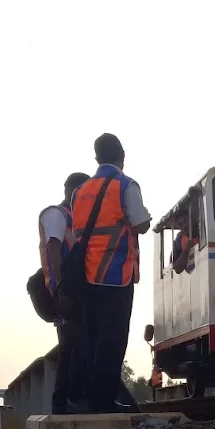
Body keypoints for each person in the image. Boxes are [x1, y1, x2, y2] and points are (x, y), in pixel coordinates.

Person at [71, 133, 151, 413]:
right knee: (113, 338)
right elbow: (140, 224)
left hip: (87, 275)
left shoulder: (80, 191)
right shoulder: (125, 186)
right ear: (122, 156)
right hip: (116, 274)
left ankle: (93, 398)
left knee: (91, 338)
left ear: (96, 159)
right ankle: (104, 402)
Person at [39, 172, 92, 413]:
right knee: (72, 344)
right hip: (64, 290)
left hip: (74, 289)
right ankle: (66, 401)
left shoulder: (72, 217)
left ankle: (72, 399)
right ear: (74, 190)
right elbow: (53, 247)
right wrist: (61, 287)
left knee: (76, 344)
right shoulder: (57, 215)